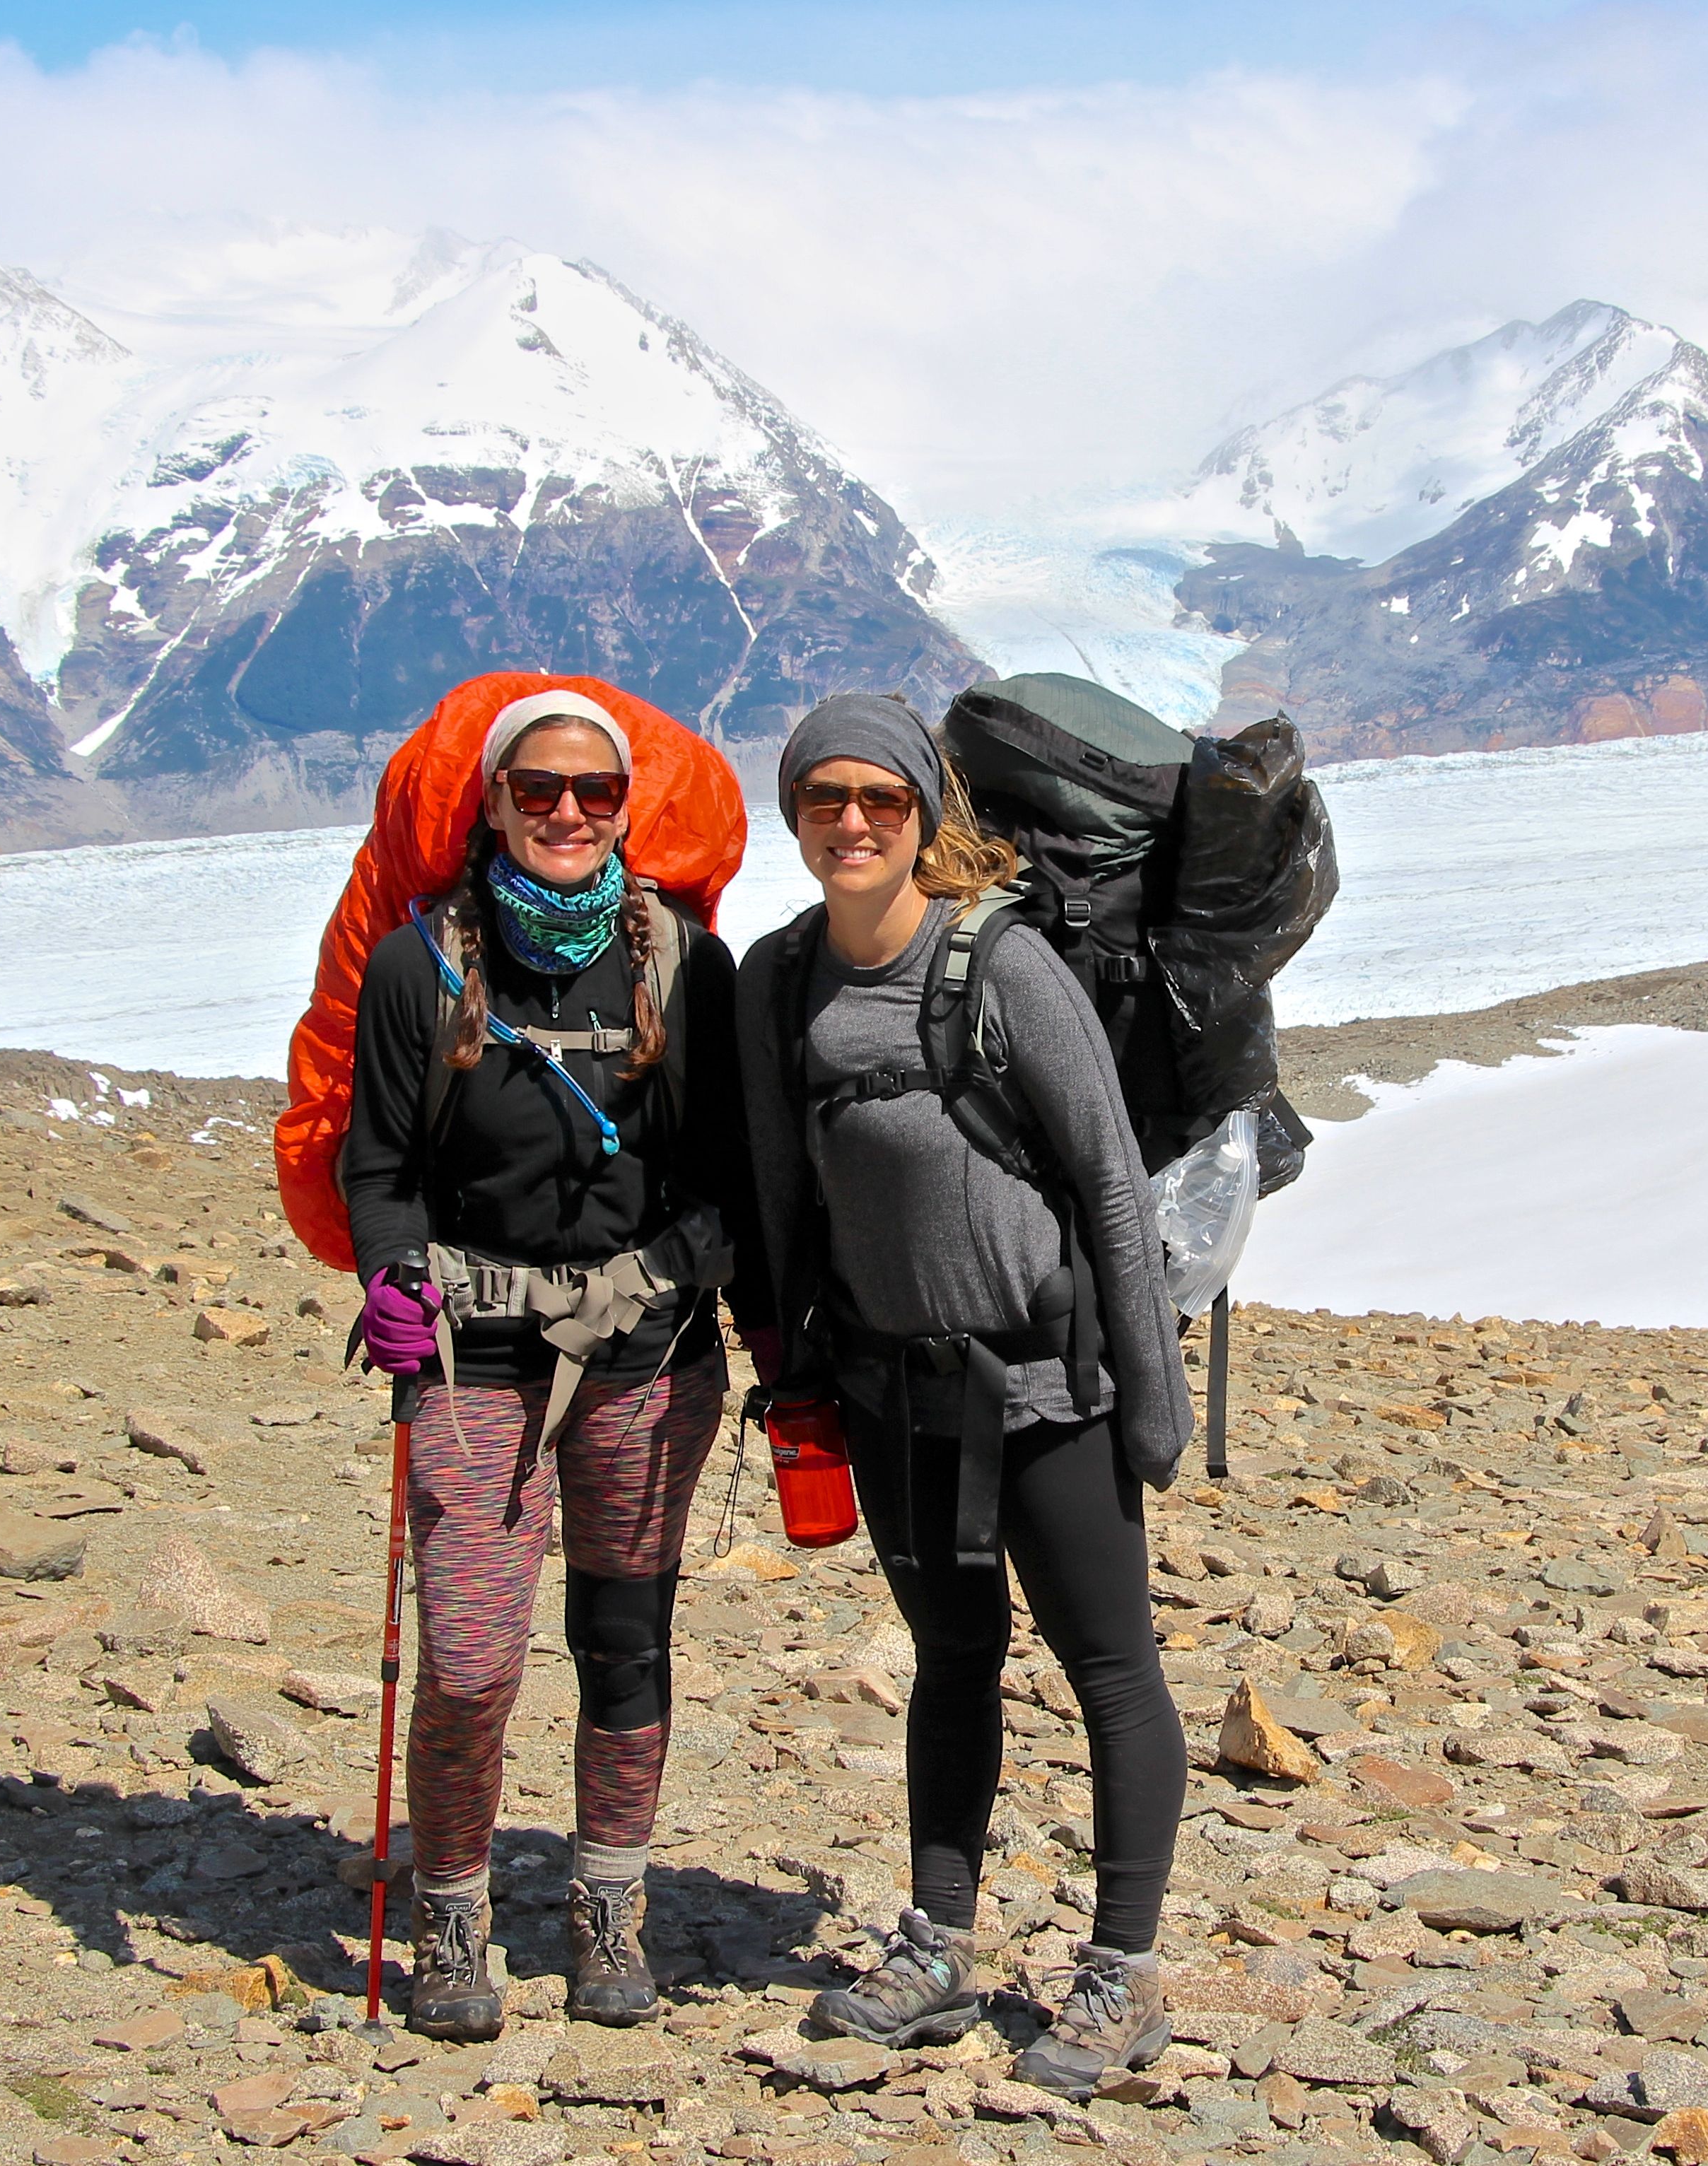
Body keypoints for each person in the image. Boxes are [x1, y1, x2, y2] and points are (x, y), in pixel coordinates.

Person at [736, 691, 1195, 2100]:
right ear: (796, 815)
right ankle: (937, 1941)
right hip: (889, 1390)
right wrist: (792, 1372)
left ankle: (1123, 1969)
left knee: (1108, 1664)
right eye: (826, 802)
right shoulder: (778, 977)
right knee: (950, 1657)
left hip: (1043, 1383)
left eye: (881, 800)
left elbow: (1110, 1181)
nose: (853, 824)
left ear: (928, 812)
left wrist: (1147, 1390)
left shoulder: (1000, 965)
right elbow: (771, 1193)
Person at [341, 688, 768, 2039]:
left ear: (628, 806)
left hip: (646, 1356)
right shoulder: (421, 970)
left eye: (594, 792)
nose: (568, 813)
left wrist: (692, 1275)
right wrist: (393, 1272)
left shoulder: (689, 967)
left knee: (622, 1641)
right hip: (471, 1358)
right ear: (494, 802)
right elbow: (379, 1165)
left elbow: (725, 1176)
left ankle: (606, 1906)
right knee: (469, 1662)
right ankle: (455, 1908)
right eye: (538, 790)